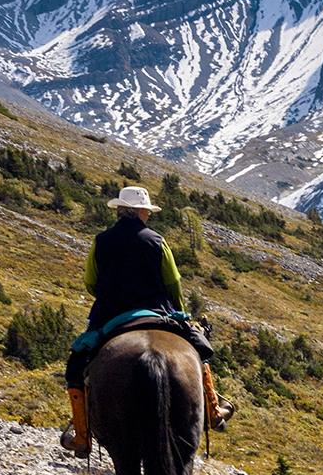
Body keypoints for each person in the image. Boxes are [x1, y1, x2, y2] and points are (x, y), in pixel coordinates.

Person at [61, 185, 234, 455]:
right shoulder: (157, 241)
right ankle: (213, 410)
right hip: (157, 310)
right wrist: (180, 312)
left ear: (120, 210)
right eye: (148, 211)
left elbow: (90, 283)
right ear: (141, 211)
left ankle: (82, 436)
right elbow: (173, 281)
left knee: (77, 363)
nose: (149, 215)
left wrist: (111, 298)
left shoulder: (101, 240)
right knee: (197, 347)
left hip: (110, 314)